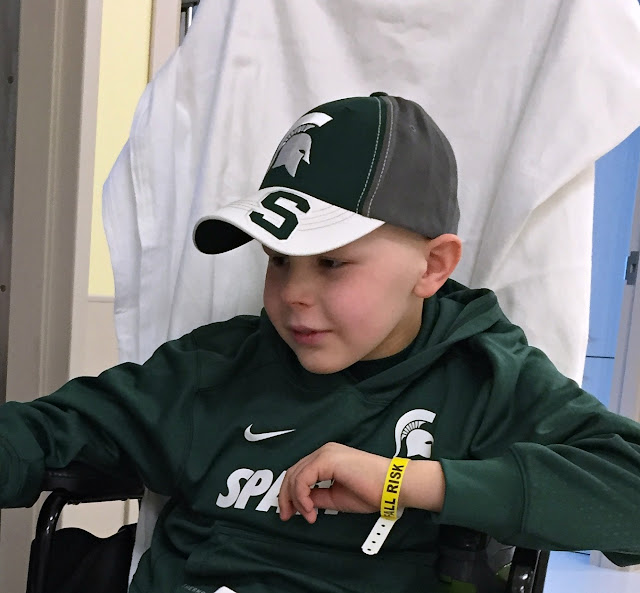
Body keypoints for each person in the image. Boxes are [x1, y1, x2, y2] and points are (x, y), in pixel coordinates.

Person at [1, 92, 640, 593]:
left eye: (331, 262)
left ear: (432, 266)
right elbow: (49, 429)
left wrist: (402, 481)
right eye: (278, 260)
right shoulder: (212, 367)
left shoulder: (486, 378)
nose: (293, 295)